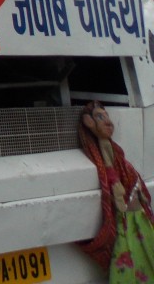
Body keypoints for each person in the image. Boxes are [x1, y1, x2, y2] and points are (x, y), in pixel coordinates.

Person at [77, 101, 154, 281]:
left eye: (107, 116)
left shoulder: (111, 145)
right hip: (127, 206)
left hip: (133, 203)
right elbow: (110, 169)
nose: (108, 122)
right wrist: (117, 187)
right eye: (100, 117)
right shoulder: (105, 146)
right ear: (89, 122)